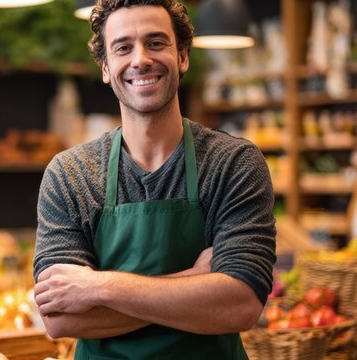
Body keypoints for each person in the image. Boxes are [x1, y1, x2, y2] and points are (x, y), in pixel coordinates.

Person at [32, 1, 276, 358]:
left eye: (156, 42)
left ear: (183, 57)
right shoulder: (71, 174)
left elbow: (241, 304)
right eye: (123, 48)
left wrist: (98, 287)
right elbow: (60, 319)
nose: (140, 59)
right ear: (105, 67)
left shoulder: (233, 163)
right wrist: (193, 281)